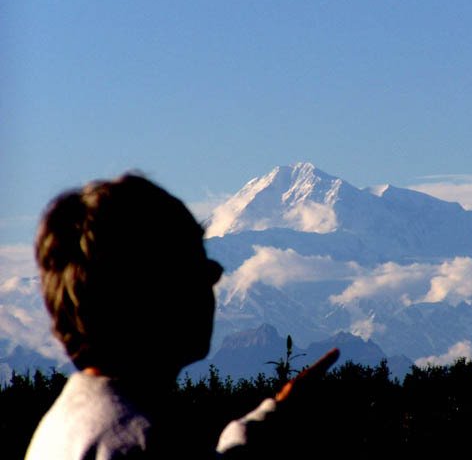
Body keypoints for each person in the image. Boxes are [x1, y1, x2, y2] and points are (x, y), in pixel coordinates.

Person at [25, 173, 338, 459]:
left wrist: (272, 414)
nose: (213, 282)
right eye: (201, 271)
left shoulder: (64, 427)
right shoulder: (146, 441)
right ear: (147, 291)